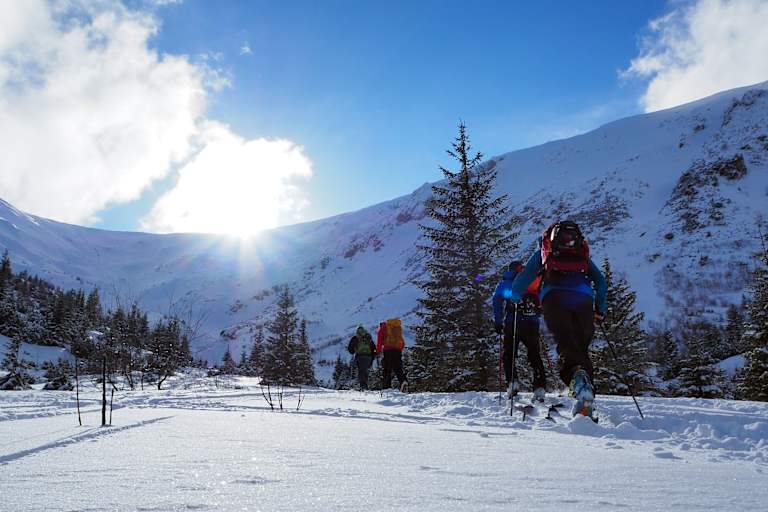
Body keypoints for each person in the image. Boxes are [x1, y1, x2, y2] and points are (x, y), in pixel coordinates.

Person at [505, 220, 607, 420]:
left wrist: (514, 300)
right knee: (580, 349)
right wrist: (599, 309)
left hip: (554, 300)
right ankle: (586, 397)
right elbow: (601, 282)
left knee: (566, 346)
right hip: (584, 301)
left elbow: (522, 281)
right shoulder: (581, 254)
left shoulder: (545, 251)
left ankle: (580, 387)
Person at [492, 260, 547, 402]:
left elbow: (497, 300)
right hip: (532, 323)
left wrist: (498, 322)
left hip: (513, 322)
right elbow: (540, 299)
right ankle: (539, 387)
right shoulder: (530, 280)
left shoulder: (507, 282)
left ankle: (513, 383)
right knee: (534, 354)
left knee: (509, 354)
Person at [376, 318, 408, 393]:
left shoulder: (382, 328)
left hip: (388, 350)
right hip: (397, 350)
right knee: (398, 368)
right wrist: (399, 350)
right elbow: (402, 342)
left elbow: (379, 341)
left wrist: (378, 351)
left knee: (387, 369)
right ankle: (403, 381)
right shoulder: (397, 328)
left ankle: (386, 388)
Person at [347, 325, 376, 390]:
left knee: (361, 371)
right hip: (369, 357)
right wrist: (373, 356)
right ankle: (365, 386)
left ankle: (363, 386)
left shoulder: (355, 338)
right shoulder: (368, 337)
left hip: (360, 356)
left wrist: (354, 351)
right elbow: (374, 348)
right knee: (365, 371)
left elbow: (350, 349)